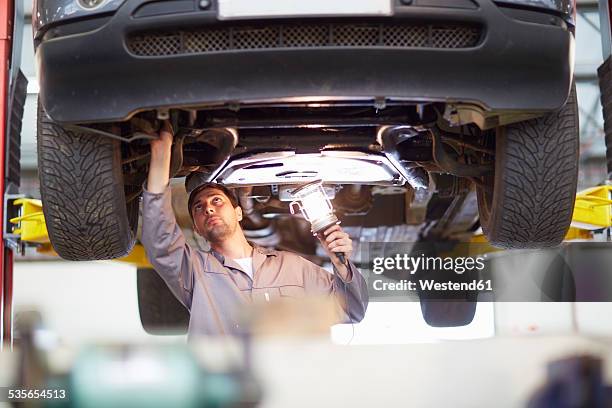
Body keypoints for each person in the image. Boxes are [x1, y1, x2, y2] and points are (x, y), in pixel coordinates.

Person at [141, 122, 369, 338]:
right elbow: (161, 241)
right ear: (198, 229)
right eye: (199, 208)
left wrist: (341, 265)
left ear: (239, 212)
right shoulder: (194, 272)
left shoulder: (294, 268)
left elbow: (351, 311)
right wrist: (160, 164)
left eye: (217, 201)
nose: (208, 208)